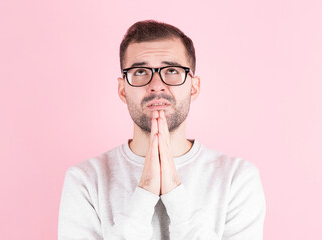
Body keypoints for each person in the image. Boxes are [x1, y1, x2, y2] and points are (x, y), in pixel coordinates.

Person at [58, 20, 266, 240]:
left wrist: (174, 191)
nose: (156, 84)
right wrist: (146, 190)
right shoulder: (85, 180)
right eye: (140, 72)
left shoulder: (237, 179)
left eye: (172, 70)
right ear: (122, 90)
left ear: (193, 88)